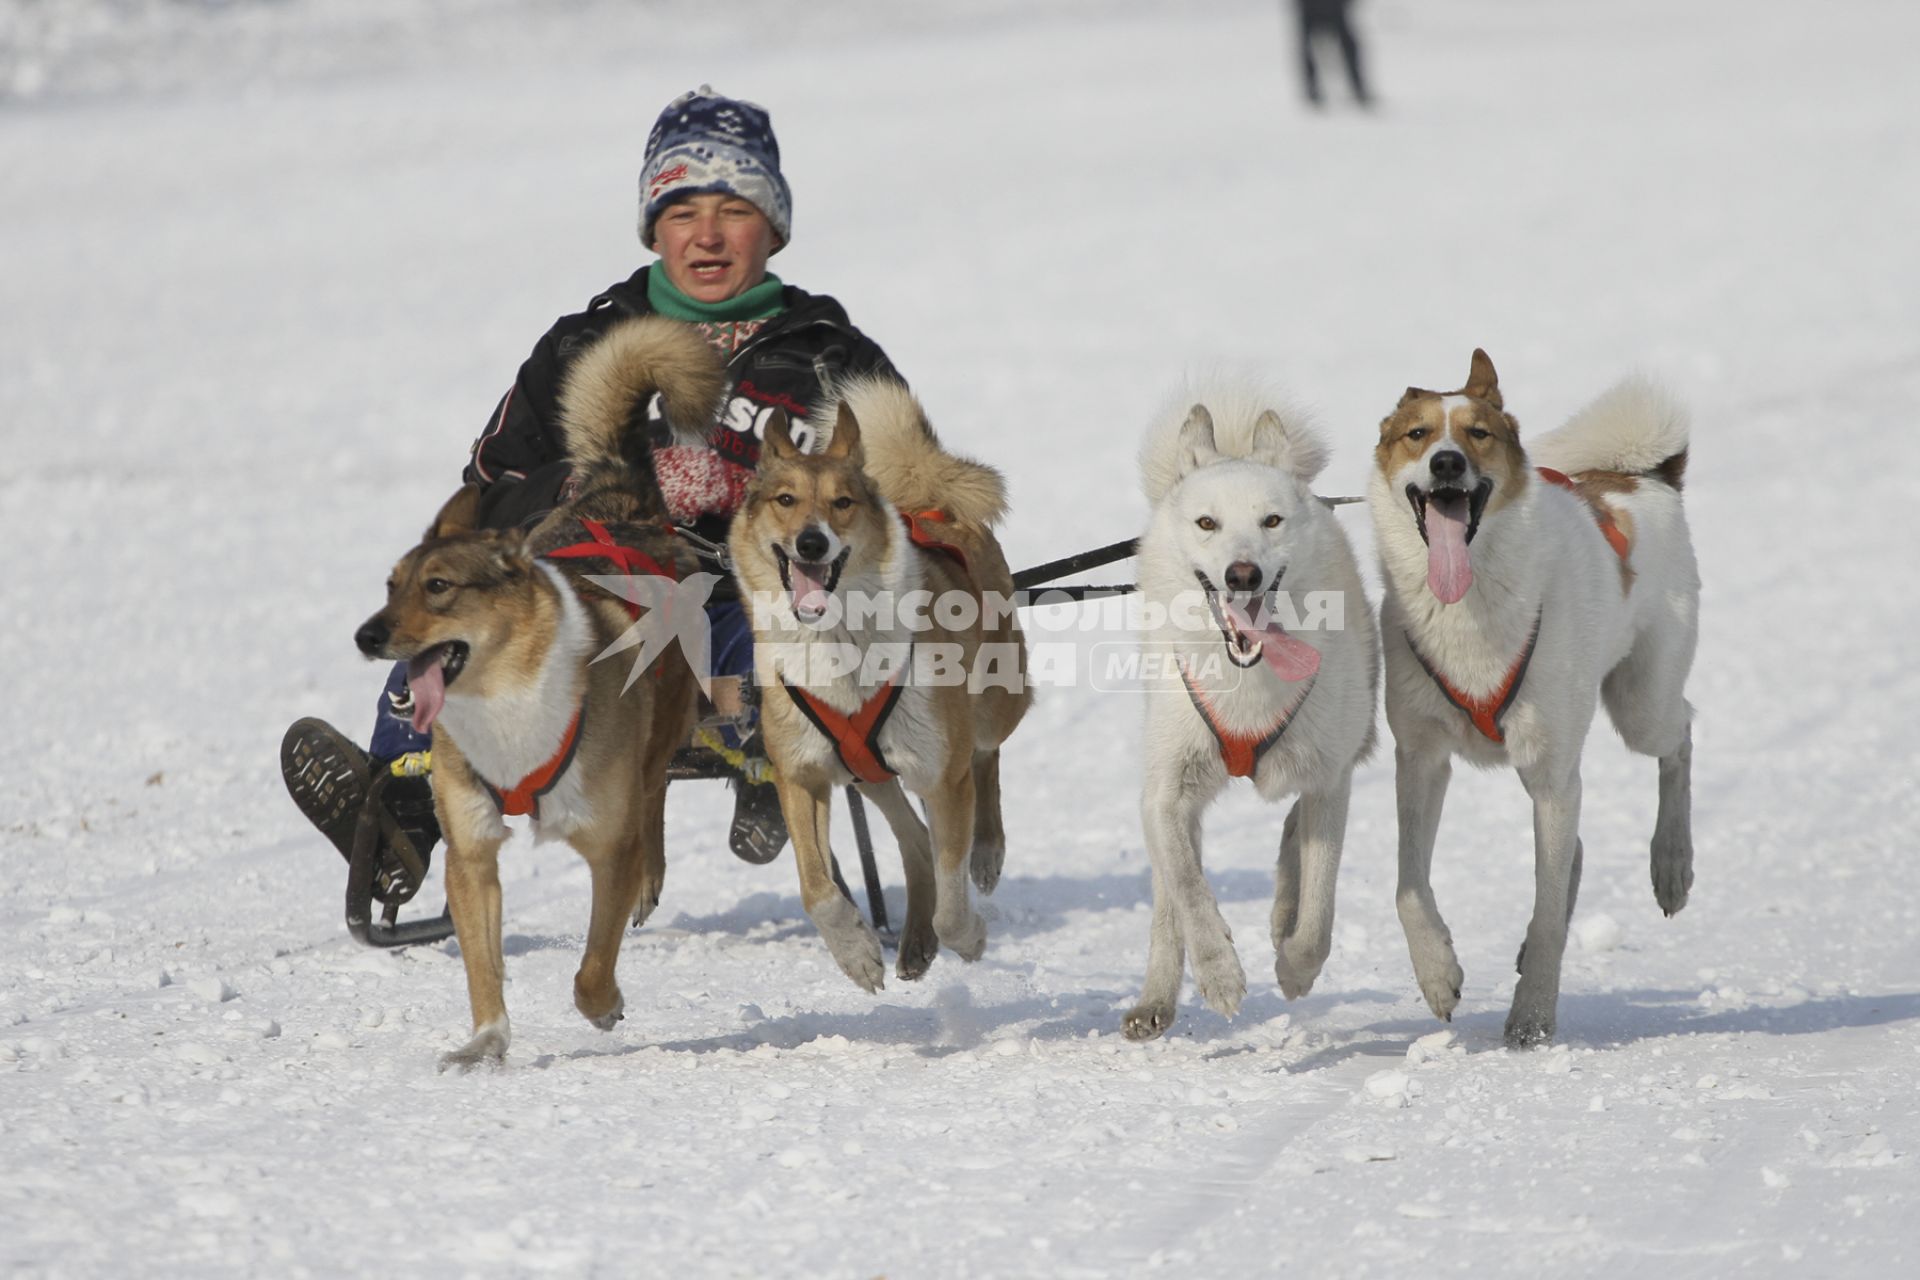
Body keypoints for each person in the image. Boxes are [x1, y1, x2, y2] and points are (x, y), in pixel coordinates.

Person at [282, 86, 901, 908]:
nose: (707, 235)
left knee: (776, 640)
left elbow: (889, 506)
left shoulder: (828, 355)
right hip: (596, 599)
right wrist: (577, 488)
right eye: (682, 212)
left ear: (775, 227)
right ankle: (400, 804)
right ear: (654, 227)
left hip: (744, 600)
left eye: (734, 210)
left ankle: (768, 756)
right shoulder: (585, 343)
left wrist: (746, 498)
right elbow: (490, 487)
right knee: (453, 624)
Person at [1294, 0, 1370, 108]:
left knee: (1349, 45)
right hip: (1310, 7)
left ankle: (1358, 87)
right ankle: (1312, 88)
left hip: (1335, 6)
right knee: (1308, 47)